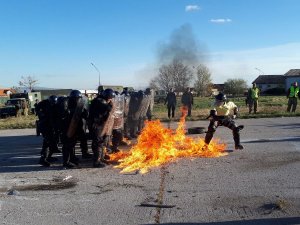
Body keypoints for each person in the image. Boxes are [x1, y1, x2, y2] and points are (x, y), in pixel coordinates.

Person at [60, 90, 88, 168]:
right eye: (77, 98)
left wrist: (84, 112)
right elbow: (64, 116)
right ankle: (66, 162)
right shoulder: (66, 104)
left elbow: (82, 115)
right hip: (67, 128)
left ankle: (72, 159)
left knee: (72, 144)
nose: (78, 100)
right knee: (67, 145)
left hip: (74, 127)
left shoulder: (77, 106)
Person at [88, 88, 115, 167]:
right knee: (98, 143)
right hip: (96, 124)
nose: (110, 99)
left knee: (101, 142)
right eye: (110, 98)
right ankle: (96, 162)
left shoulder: (99, 100)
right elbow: (108, 109)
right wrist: (110, 104)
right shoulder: (99, 101)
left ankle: (101, 158)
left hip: (100, 124)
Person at [36, 95, 60, 167]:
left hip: (50, 127)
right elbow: (38, 111)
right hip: (45, 127)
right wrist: (42, 114)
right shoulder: (44, 105)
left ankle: (48, 157)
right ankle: (43, 159)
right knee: (47, 143)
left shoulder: (53, 106)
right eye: (52, 102)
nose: (53, 104)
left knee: (52, 142)